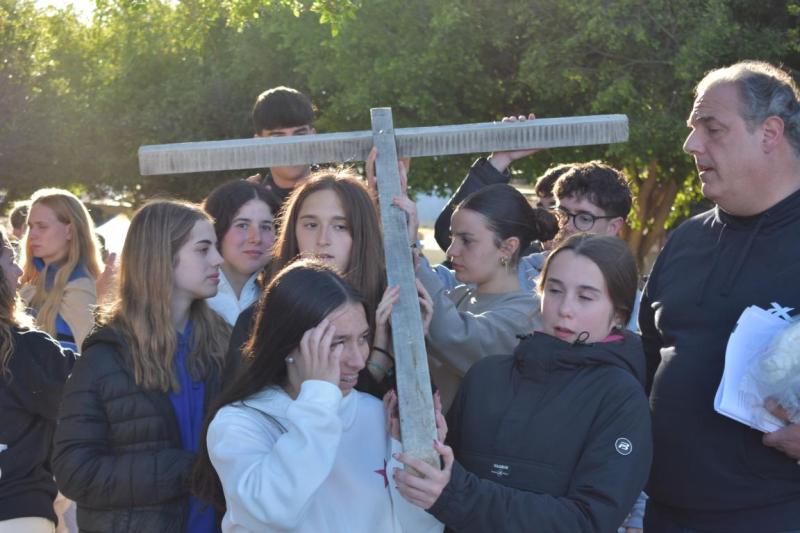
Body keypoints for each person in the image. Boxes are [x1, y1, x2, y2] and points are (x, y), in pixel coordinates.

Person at [393, 234, 652, 533]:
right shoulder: (485, 375)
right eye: (554, 290)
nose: (565, 308)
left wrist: (457, 494)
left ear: (619, 314)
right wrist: (427, 443)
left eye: (585, 297)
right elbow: (446, 482)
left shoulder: (621, 398)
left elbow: (587, 520)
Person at [640, 61, 800, 532]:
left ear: (769, 133)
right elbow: (646, 357)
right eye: (693, 129)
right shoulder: (686, 239)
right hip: (665, 512)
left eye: (712, 129)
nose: (692, 145)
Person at [193, 259, 442, 532]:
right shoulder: (239, 424)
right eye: (337, 342)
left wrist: (420, 460)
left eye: (363, 338)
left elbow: (420, 528)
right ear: (288, 345)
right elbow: (273, 511)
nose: (359, 360)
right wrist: (319, 399)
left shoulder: (375, 413)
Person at [52, 200, 231, 533]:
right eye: (203, 249)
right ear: (161, 256)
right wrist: (183, 470)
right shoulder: (106, 357)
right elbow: (75, 472)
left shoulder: (224, 343)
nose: (218, 259)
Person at [226, 170, 393, 395]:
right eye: (311, 225)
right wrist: (378, 361)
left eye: (340, 226)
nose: (323, 240)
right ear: (293, 231)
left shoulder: (389, 314)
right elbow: (240, 407)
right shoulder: (256, 320)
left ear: (363, 234)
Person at [395, 184, 558, 411]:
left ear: (508, 247)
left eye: (466, 240)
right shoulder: (460, 296)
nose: (451, 251)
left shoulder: (528, 315)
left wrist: (411, 249)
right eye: (453, 238)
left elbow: (452, 335)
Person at [0, 228, 75, 533]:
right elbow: (85, 393)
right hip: (18, 512)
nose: (19, 271)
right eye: (10, 260)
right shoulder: (25, 349)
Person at [19, 188, 102, 353]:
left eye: (42, 226)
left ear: (70, 231)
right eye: (30, 226)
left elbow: (89, 358)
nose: (32, 234)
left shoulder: (81, 288)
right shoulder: (28, 286)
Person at [203, 179, 277, 326]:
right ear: (216, 230)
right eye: (242, 225)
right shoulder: (190, 297)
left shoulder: (281, 299)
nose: (256, 238)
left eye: (266, 227)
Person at [247, 86, 316, 211]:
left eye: (299, 135)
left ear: (313, 136)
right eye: (278, 137)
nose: (290, 148)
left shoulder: (341, 194)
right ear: (259, 144)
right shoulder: (250, 203)